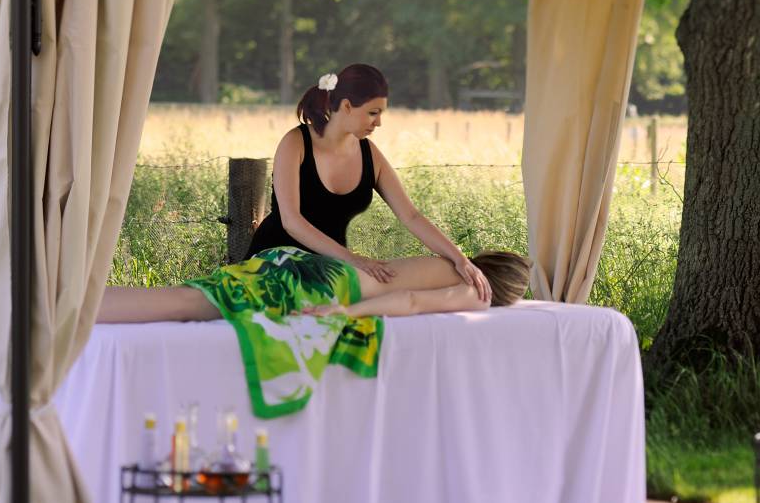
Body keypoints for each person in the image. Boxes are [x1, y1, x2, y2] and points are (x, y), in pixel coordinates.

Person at [245, 63, 494, 303]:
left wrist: (459, 258)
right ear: (347, 106)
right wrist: (355, 260)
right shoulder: (295, 142)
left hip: (331, 273)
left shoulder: (369, 154)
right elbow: (292, 222)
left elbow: (411, 216)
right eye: (373, 113)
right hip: (275, 263)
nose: (379, 122)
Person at [94, 246, 532, 325]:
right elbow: (412, 301)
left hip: (309, 266)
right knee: (189, 304)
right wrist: (345, 313)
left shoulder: (451, 261)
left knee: (193, 293)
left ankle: (75, 302)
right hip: (324, 288)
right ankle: (70, 310)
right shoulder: (477, 291)